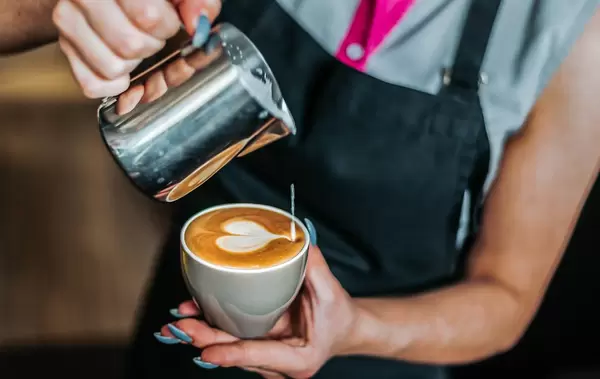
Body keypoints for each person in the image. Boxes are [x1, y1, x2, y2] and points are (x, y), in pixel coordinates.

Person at [2, 0, 599, 378]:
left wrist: (355, 329)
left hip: (381, 354)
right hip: (190, 318)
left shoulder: (572, 27)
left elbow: (506, 297)